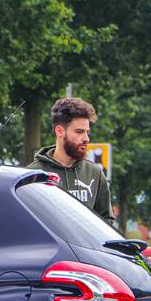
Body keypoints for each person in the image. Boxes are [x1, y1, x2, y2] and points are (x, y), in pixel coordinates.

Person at [28, 97, 115, 227]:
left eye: (87, 132)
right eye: (79, 131)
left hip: (85, 248)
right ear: (60, 131)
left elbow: (106, 222)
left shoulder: (94, 172)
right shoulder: (33, 174)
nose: (86, 138)